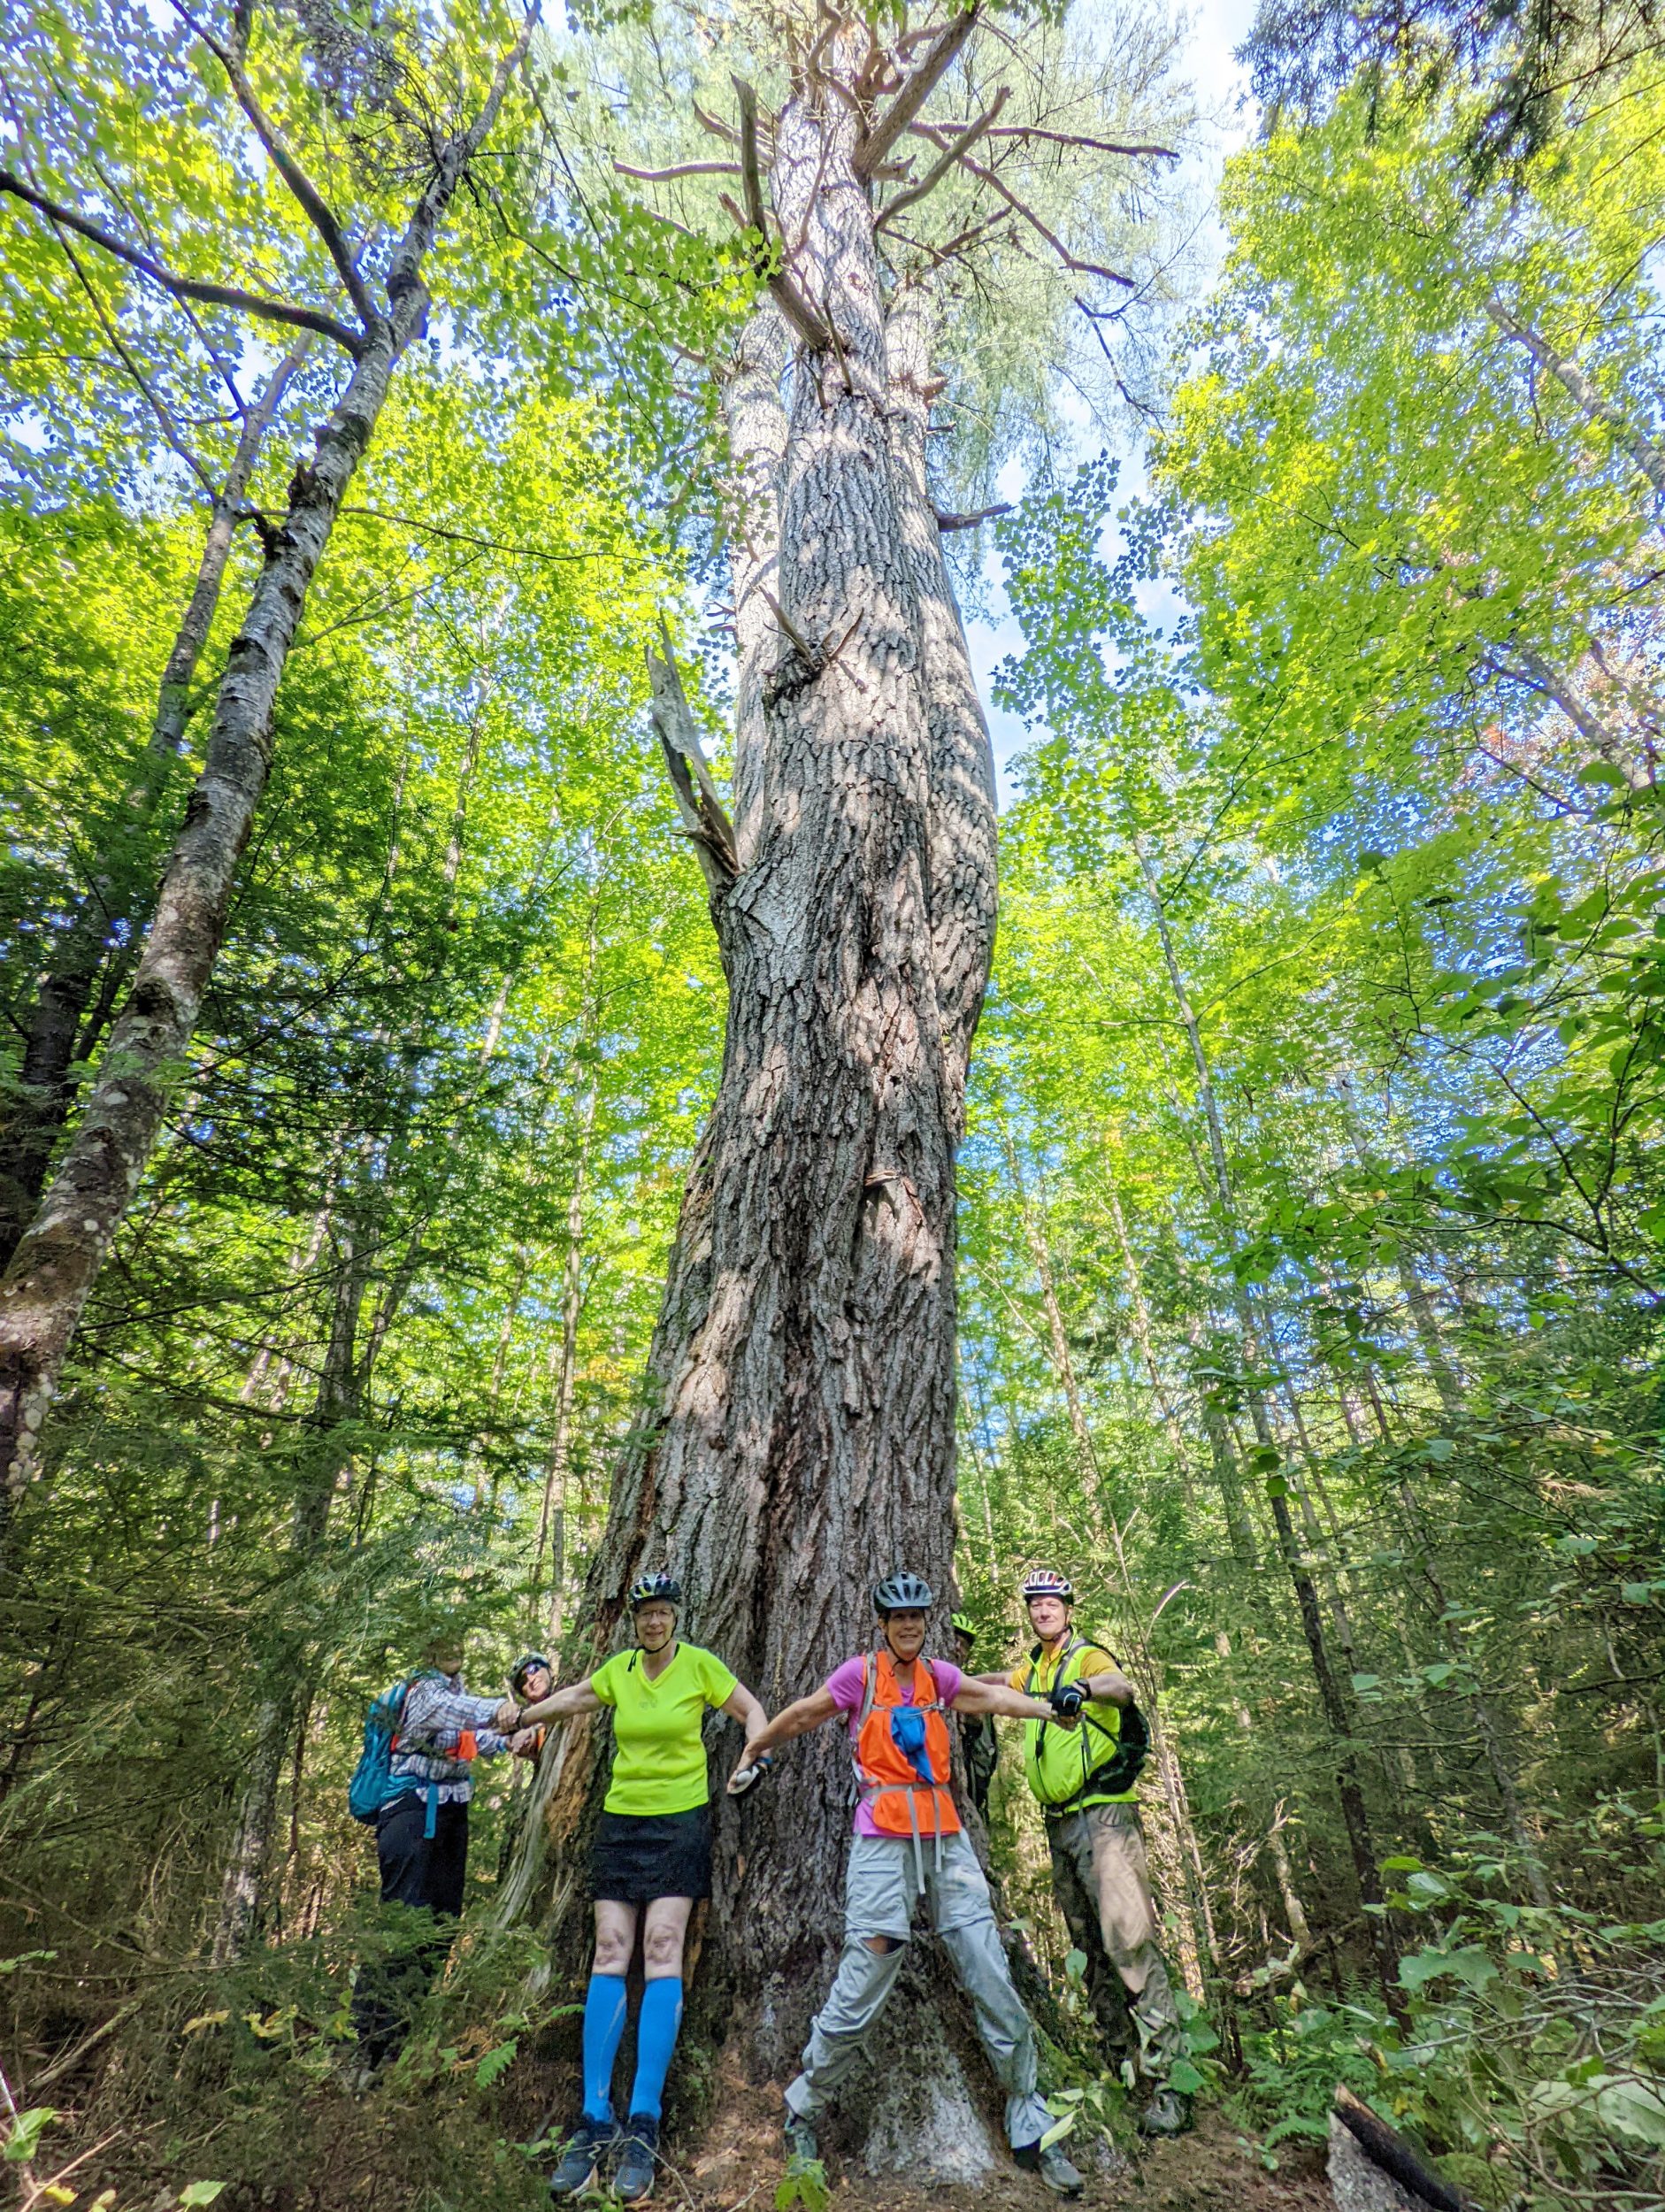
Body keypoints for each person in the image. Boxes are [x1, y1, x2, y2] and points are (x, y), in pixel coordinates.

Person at [729, 1571, 1086, 2198]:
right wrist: (755, 1748)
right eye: (899, 1619)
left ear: (927, 1620)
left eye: (918, 1617)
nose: (910, 1626)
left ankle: (1028, 2113)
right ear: (882, 1624)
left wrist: (1046, 1708)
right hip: (881, 1836)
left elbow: (988, 1698)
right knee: (867, 1971)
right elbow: (805, 1714)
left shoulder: (938, 1677)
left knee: (987, 1966)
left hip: (945, 1836)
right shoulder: (858, 1676)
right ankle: (804, 2107)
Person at [516, 1573, 770, 2203]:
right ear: (633, 1621)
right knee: (609, 1950)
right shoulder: (621, 1670)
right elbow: (574, 1699)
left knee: (661, 1949)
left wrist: (751, 1756)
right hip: (620, 1823)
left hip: (681, 1823)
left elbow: (751, 1709)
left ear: (675, 1617)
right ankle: (593, 2121)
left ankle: (644, 2125)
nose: (654, 1623)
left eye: (662, 1613)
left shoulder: (698, 1666)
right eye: (645, 1614)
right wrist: (520, 1716)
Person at [986, 1568, 1189, 2137]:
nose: (1044, 1610)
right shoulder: (1036, 1666)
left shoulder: (1086, 1657)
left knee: (1128, 1942)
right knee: (1089, 1948)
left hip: (1103, 1818)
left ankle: (1167, 2084)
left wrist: (1082, 1690)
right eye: (1035, 1603)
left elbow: (1120, 1687)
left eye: (1052, 1601)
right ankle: (1119, 2065)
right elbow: (997, 1684)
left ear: (1068, 1608)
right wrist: (936, 1680)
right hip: (1060, 1825)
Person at [351, 1621, 530, 2076]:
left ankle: (400, 2038)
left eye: (455, 1637)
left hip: (449, 1815)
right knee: (402, 1923)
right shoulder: (424, 1690)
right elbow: (460, 1713)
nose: (450, 1646)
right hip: (411, 1814)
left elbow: (466, 1739)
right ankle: (367, 2044)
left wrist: (510, 1739)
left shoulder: (451, 1688)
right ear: (424, 1648)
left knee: (442, 1924)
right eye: (438, 1639)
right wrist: (505, 1712)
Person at [951, 1612, 998, 1819]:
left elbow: (988, 1752)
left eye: (965, 1645)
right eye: (955, 1641)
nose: (958, 1649)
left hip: (972, 1794)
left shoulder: (977, 1690)